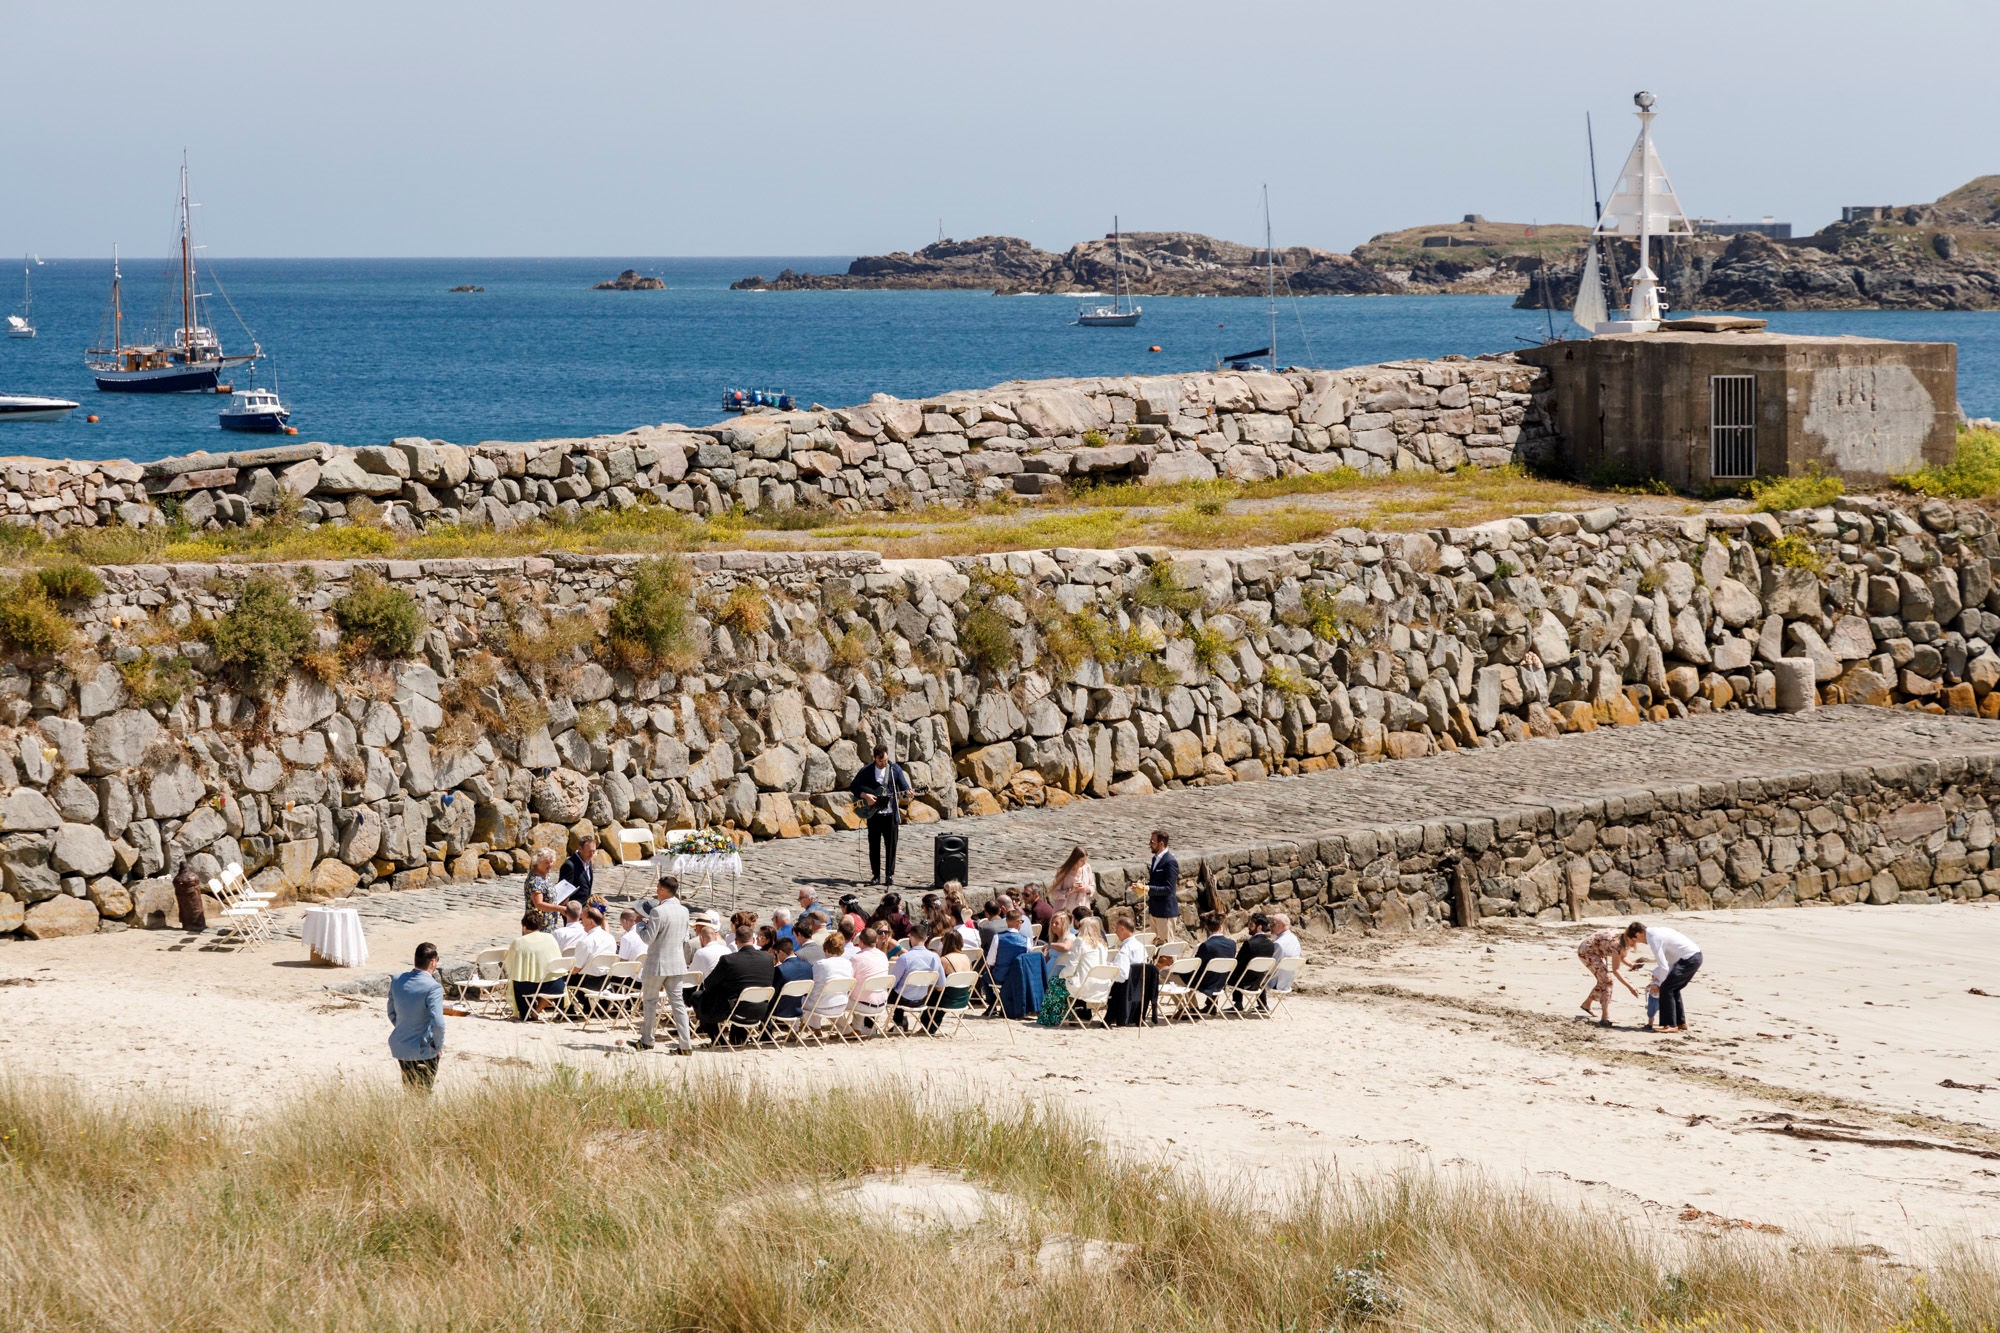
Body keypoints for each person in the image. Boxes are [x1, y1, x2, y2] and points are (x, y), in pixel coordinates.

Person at [636, 875, 693, 1055]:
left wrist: (639, 926)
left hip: (658, 963)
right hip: (677, 962)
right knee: (678, 1004)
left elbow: (648, 938)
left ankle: (647, 1040)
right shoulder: (684, 911)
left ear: (662, 889)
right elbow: (684, 937)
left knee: (650, 1002)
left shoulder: (658, 912)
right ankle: (685, 1044)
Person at [696, 924, 777, 1043]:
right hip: (762, 1009)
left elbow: (709, 984)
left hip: (735, 1010)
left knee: (697, 997)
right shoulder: (768, 958)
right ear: (753, 940)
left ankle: (718, 1040)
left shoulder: (729, 960)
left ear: (736, 941)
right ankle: (737, 1037)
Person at [387, 941, 446, 1092]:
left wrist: (406, 1027)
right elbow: (438, 1023)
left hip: (401, 1045)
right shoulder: (433, 987)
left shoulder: (397, 980)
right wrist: (437, 1046)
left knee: (409, 1090)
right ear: (433, 962)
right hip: (423, 1050)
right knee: (423, 1094)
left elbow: (391, 1012)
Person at [849, 743, 911, 886]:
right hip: (874, 815)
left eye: (885, 760)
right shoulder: (867, 771)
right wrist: (865, 796)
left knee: (891, 845)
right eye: (881, 761)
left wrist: (909, 792)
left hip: (890, 814)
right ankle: (875, 875)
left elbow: (905, 788)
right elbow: (854, 787)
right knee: (874, 845)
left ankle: (889, 875)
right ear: (875, 758)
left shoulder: (894, 769)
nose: (884, 763)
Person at [1638, 920, 1703, 1033]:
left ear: (1638, 934)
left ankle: (1670, 1025)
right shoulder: (1658, 931)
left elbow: (1663, 967)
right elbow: (1668, 964)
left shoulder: (1653, 938)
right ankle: (1680, 1023)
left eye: (1636, 939)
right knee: (1673, 988)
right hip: (1695, 956)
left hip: (1689, 958)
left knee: (1666, 988)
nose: (1639, 942)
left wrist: (1657, 982)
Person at [1576, 924, 1641, 1025]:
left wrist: (1631, 965)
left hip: (1598, 951)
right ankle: (1605, 1017)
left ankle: (1587, 1004)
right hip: (1587, 951)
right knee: (1608, 981)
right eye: (1635, 941)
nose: (1636, 943)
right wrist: (1630, 987)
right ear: (1630, 937)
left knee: (1603, 980)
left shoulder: (1624, 938)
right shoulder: (1617, 944)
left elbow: (1622, 957)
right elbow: (1616, 970)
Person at [504, 911, 563, 1020]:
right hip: (556, 986)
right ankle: (536, 1011)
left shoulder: (519, 942)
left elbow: (509, 963)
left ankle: (526, 1013)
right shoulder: (550, 938)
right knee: (545, 980)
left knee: (517, 981)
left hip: (530, 988)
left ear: (524, 927)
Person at [887, 929, 941, 1032]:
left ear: (910, 937)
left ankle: (899, 1024)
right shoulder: (935, 957)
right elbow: (941, 984)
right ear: (926, 938)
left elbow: (892, 983)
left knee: (896, 990)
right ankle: (900, 1023)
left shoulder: (904, 958)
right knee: (901, 990)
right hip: (922, 999)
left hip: (902, 1000)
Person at [989, 909, 1040, 1019]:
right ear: (1018, 922)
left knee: (985, 977)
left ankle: (992, 1006)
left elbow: (990, 961)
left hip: (1000, 976)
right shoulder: (1025, 940)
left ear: (1006, 921)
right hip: (1019, 978)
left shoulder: (998, 937)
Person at [1105, 912, 1153, 1025]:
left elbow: (1122, 975)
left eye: (1116, 929)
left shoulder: (1125, 950)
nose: (1115, 932)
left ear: (1122, 929)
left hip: (1124, 989)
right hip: (1140, 989)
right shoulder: (1141, 947)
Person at [805, 930, 856, 1031]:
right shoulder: (848, 964)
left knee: (808, 997)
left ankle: (816, 1028)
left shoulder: (821, 964)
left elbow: (813, 984)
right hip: (841, 1004)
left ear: (826, 949)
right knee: (823, 994)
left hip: (822, 1005)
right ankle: (845, 1030)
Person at [1227, 912, 1278, 1012]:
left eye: (1251, 925)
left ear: (1259, 927)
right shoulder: (1271, 944)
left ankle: (1238, 1003)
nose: (1248, 928)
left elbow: (1238, 963)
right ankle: (1263, 1004)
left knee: (1236, 971)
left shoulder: (1249, 944)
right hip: (1258, 981)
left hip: (1244, 982)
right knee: (1259, 972)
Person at [1035, 914, 1078, 1027]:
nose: (1053, 925)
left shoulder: (1070, 937)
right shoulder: (1055, 939)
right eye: (1052, 923)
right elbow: (1048, 957)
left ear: (1064, 925)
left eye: (1056, 923)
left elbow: (1066, 947)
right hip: (1050, 971)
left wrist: (1050, 945)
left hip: (1060, 973)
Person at [1194, 912, 1238, 1007]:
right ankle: (1211, 1006)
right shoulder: (1232, 944)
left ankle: (1191, 1007)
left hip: (1207, 983)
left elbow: (1196, 966)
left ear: (1206, 928)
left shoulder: (1206, 945)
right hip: (1222, 981)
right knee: (1215, 970)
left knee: (1177, 976)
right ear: (1221, 927)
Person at [1144, 830, 1181, 941]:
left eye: (1152, 842)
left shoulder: (1170, 862)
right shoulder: (1155, 859)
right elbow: (1155, 882)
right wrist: (1143, 887)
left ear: (1161, 844)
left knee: (1167, 951)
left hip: (1165, 913)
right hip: (1154, 910)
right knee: (1154, 948)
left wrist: (1149, 888)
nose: (1150, 844)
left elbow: (1169, 888)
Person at [770, 936, 814, 1022]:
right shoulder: (808, 966)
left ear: (781, 952)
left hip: (780, 1011)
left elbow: (773, 994)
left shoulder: (780, 969)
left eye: (777, 954)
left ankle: (766, 1034)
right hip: (799, 1009)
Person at [1048, 845, 1095, 916]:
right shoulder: (1063, 872)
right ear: (1075, 859)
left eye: (1085, 860)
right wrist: (1071, 890)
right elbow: (1055, 894)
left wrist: (1085, 889)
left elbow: (1092, 886)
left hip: (1083, 909)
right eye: (1082, 860)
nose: (1084, 863)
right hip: (1066, 911)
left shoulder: (1087, 868)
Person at [1267, 913, 1302, 994]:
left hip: (1276, 983)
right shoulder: (1295, 939)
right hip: (1288, 982)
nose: (1270, 927)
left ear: (1280, 925)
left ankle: (1261, 1005)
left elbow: (1271, 968)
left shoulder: (1279, 944)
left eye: (1272, 924)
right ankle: (1262, 1005)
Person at [691, 913, 731, 983]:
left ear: (701, 938)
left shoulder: (700, 951)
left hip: (709, 988)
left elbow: (692, 973)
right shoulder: (727, 948)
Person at [523, 848, 562, 918]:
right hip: (539, 922)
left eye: (551, 862)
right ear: (537, 863)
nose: (550, 865)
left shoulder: (545, 874)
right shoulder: (535, 881)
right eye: (546, 862)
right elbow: (539, 904)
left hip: (548, 920)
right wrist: (560, 908)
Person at [559, 835, 597, 906]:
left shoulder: (588, 861)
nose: (592, 854)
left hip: (584, 908)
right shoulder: (569, 866)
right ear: (580, 849)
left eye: (593, 851)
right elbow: (563, 892)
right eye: (589, 851)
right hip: (574, 911)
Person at [171, 861, 206, 932]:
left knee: (195, 909)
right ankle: (189, 925)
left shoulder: (180, 878)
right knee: (187, 909)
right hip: (185, 895)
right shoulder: (180, 878)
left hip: (192, 894)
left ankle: (197, 924)